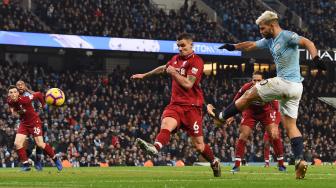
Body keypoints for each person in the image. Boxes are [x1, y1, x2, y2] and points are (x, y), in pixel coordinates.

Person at [207, 10, 325, 179]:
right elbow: (251, 45)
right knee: (291, 126)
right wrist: (233, 47)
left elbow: (307, 42)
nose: (261, 32)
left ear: (272, 25)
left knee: (250, 92)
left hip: (285, 82)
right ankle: (299, 160)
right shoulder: (269, 40)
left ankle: (222, 116)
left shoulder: (286, 36)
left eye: (262, 28)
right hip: (296, 89)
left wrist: (315, 59)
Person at [131, 33, 221, 177]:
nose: (180, 48)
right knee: (166, 123)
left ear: (191, 45)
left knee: (199, 146)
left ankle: (214, 162)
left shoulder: (197, 61)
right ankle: (155, 147)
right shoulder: (175, 59)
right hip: (176, 105)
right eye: (178, 46)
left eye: (183, 45)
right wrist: (145, 75)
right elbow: (163, 68)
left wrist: (173, 73)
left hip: (193, 108)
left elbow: (188, 83)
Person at [225, 71, 285, 172]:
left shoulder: (270, 88)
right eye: (254, 80)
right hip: (250, 112)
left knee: (274, 135)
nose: (256, 82)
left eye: (259, 80)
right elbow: (236, 100)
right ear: (251, 80)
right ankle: (237, 165)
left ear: (263, 81)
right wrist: (231, 114)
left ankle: (281, 164)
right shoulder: (246, 87)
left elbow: (276, 108)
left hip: (266, 113)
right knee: (243, 135)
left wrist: (275, 123)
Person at [7, 85, 62, 171]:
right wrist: (12, 110)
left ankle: (55, 159)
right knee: (17, 143)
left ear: (18, 93)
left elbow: (39, 94)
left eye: (15, 92)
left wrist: (43, 104)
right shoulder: (9, 101)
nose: (13, 94)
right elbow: (11, 106)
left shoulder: (25, 99)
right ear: (8, 95)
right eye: (11, 92)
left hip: (34, 123)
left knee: (40, 144)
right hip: (24, 124)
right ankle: (26, 165)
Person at [16, 80, 44, 171]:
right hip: (23, 122)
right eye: (18, 85)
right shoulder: (15, 96)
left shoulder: (29, 94)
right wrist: (19, 113)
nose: (20, 86)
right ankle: (30, 160)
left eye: (22, 85)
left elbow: (38, 97)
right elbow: (14, 111)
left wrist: (41, 105)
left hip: (35, 120)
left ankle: (38, 162)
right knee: (21, 144)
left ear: (25, 86)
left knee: (39, 142)